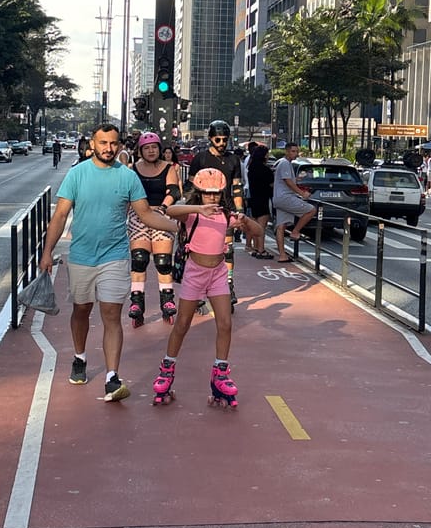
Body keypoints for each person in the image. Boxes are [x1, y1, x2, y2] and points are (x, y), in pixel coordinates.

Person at [39, 123, 179, 402]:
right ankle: (79, 357)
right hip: (81, 256)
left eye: (113, 143)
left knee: (112, 315)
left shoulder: (128, 177)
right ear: (93, 144)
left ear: (120, 146)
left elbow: (145, 214)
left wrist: (180, 228)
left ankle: (112, 378)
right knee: (81, 309)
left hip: (114, 256)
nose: (108, 148)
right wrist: (47, 252)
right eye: (103, 143)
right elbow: (60, 215)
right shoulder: (77, 174)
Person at [151, 168, 263, 408]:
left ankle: (220, 372)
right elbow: (170, 210)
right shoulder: (192, 214)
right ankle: (167, 369)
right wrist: (198, 209)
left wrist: (245, 220)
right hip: (195, 273)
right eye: (206, 193)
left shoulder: (225, 215)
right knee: (182, 324)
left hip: (218, 274)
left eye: (216, 193)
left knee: (225, 323)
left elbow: (258, 232)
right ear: (199, 193)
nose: (211, 197)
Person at [127, 132, 181, 326]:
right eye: (147, 148)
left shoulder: (168, 168)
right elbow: (127, 193)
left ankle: (167, 300)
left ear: (159, 149)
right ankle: (136, 301)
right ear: (140, 151)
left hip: (161, 214)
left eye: (154, 147)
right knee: (139, 259)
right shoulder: (133, 169)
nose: (151, 151)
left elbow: (174, 191)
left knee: (163, 261)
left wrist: (164, 208)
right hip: (139, 215)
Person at [188, 120, 244, 306]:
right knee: (199, 248)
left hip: (225, 210)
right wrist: (192, 210)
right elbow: (191, 187)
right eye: (218, 139)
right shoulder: (200, 159)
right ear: (210, 139)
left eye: (225, 140)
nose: (222, 143)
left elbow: (237, 188)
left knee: (227, 250)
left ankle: (228, 283)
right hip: (202, 210)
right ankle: (198, 288)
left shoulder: (233, 160)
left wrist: (239, 211)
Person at [273, 142, 316, 259]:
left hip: (279, 198)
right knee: (311, 210)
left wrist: (297, 179)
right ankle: (295, 232)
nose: (296, 154)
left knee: (281, 226)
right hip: (285, 198)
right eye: (293, 151)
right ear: (287, 151)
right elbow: (288, 182)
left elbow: (288, 180)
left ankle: (282, 255)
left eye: (297, 151)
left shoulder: (284, 163)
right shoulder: (285, 163)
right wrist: (302, 194)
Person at [247, 144, 274, 259]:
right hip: (263, 199)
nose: (268, 156)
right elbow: (271, 185)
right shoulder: (266, 170)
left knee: (255, 226)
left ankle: (256, 247)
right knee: (262, 227)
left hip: (253, 198)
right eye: (267, 154)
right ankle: (261, 250)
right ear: (264, 155)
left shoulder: (251, 168)